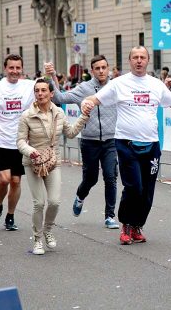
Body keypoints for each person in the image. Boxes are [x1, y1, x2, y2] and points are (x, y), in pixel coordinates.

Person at [81, 46, 171, 245]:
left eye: (142, 57)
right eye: (135, 57)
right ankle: (126, 224)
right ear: (129, 61)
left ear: (148, 60)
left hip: (151, 144)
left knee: (147, 190)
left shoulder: (156, 84)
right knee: (134, 187)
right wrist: (86, 103)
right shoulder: (119, 84)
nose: (139, 61)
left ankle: (137, 225)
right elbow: (94, 99)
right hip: (126, 143)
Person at [17, 78, 90, 255]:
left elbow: (70, 133)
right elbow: (20, 141)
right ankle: (37, 239)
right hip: (33, 162)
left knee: (54, 202)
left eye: (44, 90)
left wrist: (84, 116)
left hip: (52, 161)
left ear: (51, 93)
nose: (40, 94)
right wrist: (30, 151)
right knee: (39, 203)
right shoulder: (27, 115)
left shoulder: (58, 113)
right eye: (37, 90)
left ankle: (48, 230)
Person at [48, 55, 120, 229]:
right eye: (97, 68)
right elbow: (59, 98)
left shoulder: (116, 87)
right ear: (92, 71)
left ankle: (110, 216)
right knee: (90, 179)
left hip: (111, 140)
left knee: (111, 177)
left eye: (104, 67)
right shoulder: (84, 88)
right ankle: (80, 196)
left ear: (108, 68)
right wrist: (52, 76)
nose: (101, 71)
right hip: (90, 141)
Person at [0, 54, 35, 231]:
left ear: (22, 69)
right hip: (1, 141)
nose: (14, 71)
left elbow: (51, 92)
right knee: (4, 179)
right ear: (5, 68)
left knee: (16, 181)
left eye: (18, 68)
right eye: (11, 67)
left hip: (21, 142)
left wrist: (51, 75)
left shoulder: (29, 86)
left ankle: (10, 216)